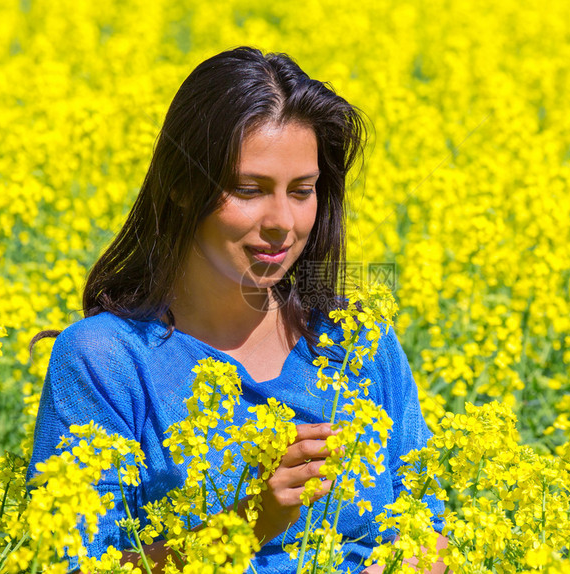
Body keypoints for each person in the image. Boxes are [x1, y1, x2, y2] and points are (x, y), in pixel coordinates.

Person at [27, 46, 446, 573]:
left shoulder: (359, 339)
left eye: (302, 191)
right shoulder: (105, 361)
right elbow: (71, 564)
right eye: (249, 190)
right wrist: (251, 520)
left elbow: (430, 523)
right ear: (182, 187)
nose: (282, 222)